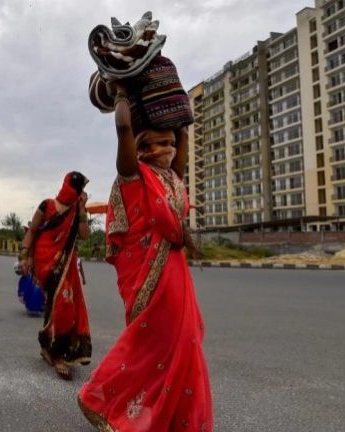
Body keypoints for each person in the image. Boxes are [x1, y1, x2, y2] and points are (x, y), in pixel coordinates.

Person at [77, 82, 213, 431]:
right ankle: (100, 397)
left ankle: (170, 420)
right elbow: (123, 127)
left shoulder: (173, 179)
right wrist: (121, 89)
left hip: (176, 276)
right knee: (154, 346)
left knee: (185, 343)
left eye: (167, 143)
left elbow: (183, 135)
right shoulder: (134, 176)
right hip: (148, 281)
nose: (163, 149)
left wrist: (175, 105)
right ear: (138, 149)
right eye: (151, 143)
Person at [19, 172, 92, 380]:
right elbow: (32, 231)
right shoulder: (47, 205)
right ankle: (57, 353)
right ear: (69, 187)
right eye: (79, 189)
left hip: (66, 262)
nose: (81, 193)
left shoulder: (76, 210)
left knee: (60, 302)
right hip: (45, 260)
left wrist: (82, 210)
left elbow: (85, 235)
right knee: (60, 301)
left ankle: (49, 346)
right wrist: (25, 257)